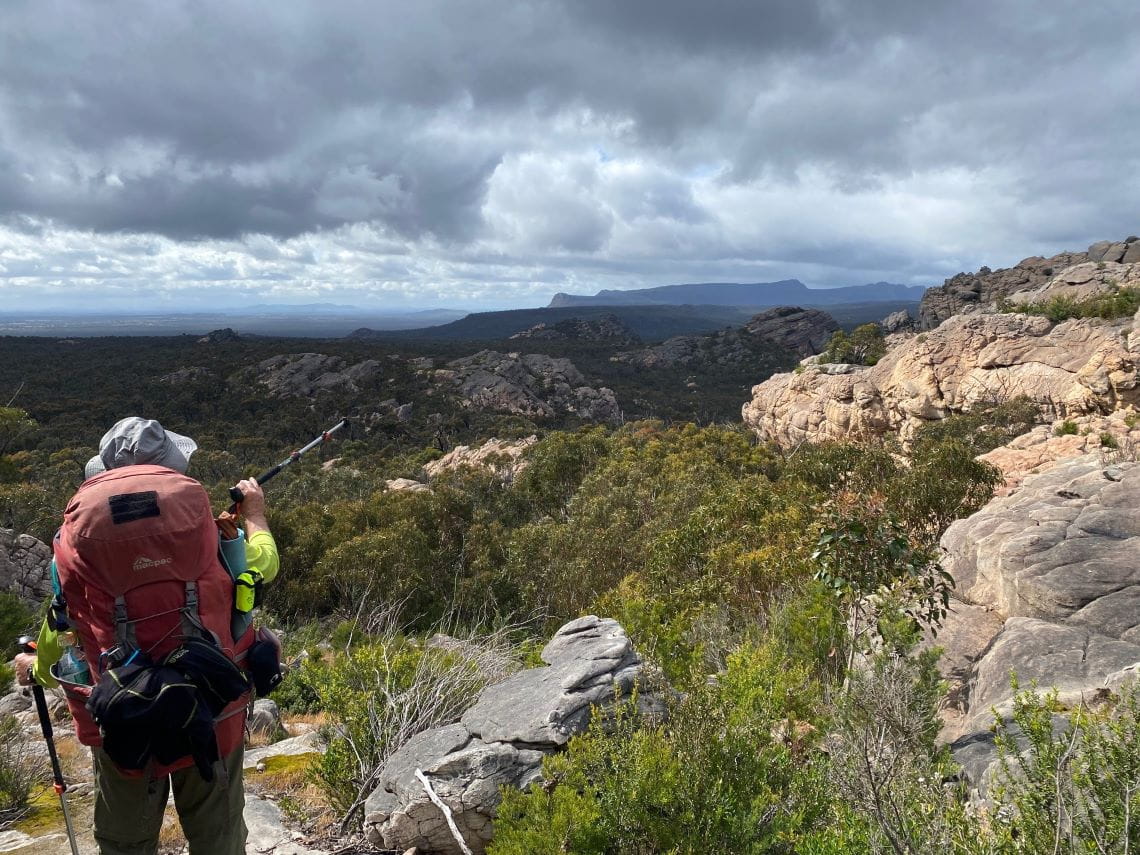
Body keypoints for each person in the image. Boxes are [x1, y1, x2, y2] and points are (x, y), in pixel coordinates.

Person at [15, 417, 279, 855]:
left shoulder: (72, 544)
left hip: (120, 715)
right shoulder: (212, 534)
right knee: (218, 837)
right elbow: (264, 566)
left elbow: (62, 624)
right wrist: (254, 515)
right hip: (211, 705)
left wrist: (37, 669)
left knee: (126, 843)